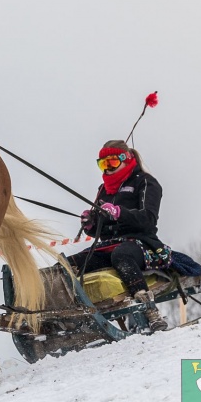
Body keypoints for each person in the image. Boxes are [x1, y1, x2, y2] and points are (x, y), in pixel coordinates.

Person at [67, 139, 169, 331]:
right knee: (68, 264)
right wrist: (91, 224)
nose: (108, 168)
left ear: (126, 158)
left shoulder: (146, 182)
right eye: (103, 164)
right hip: (109, 245)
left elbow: (149, 219)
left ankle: (150, 311)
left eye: (112, 162)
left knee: (121, 255)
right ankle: (72, 319)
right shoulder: (103, 190)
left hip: (141, 243)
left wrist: (120, 212)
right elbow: (102, 229)